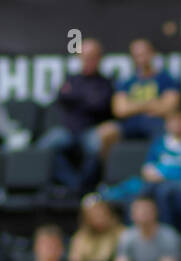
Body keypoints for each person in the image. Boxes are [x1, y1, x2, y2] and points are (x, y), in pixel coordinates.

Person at [37, 39, 121, 192]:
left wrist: (76, 97)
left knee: (95, 146)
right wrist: (87, 98)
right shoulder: (71, 79)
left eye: (91, 57)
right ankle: (74, 184)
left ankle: (86, 186)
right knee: (45, 147)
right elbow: (61, 97)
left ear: (99, 58)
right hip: (68, 130)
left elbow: (99, 105)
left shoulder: (106, 82)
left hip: (92, 129)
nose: (88, 61)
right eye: (84, 57)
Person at [136, 104, 181, 232]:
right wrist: (150, 174)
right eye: (173, 121)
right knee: (142, 190)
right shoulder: (159, 143)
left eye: (180, 121)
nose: (177, 125)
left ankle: (175, 231)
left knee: (165, 192)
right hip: (159, 179)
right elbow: (148, 166)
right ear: (166, 124)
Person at [111, 38, 181, 141]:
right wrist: (152, 104)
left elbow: (170, 107)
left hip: (157, 123)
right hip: (129, 124)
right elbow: (120, 110)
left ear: (153, 54)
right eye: (137, 56)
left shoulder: (166, 79)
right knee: (109, 131)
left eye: (144, 54)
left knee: (170, 130)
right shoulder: (126, 81)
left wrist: (132, 105)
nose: (141, 59)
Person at [68, 193, 122, 261]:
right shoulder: (80, 237)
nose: (98, 216)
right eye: (93, 213)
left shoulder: (120, 234)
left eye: (101, 211)